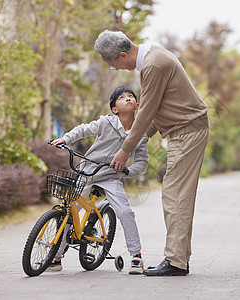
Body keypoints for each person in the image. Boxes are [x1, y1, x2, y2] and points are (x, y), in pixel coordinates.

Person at [94, 30, 209, 276]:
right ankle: (179, 258)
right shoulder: (154, 58)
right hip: (185, 131)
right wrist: (140, 139)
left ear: (123, 55)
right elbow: (157, 110)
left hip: (186, 132)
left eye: (114, 65)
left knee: (175, 196)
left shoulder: (153, 66)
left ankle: (176, 262)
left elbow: (146, 111)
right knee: (177, 196)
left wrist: (126, 149)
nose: (117, 69)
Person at [48, 86, 149, 275]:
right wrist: (66, 139)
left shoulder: (140, 134)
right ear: (114, 109)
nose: (128, 98)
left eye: (131, 97)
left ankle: (136, 257)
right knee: (70, 208)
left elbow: (143, 162)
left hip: (110, 177)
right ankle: (55, 255)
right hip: (87, 171)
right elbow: (84, 129)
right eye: (122, 97)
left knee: (125, 212)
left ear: (137, 105)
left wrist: (127, 171)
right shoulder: (106, 123)